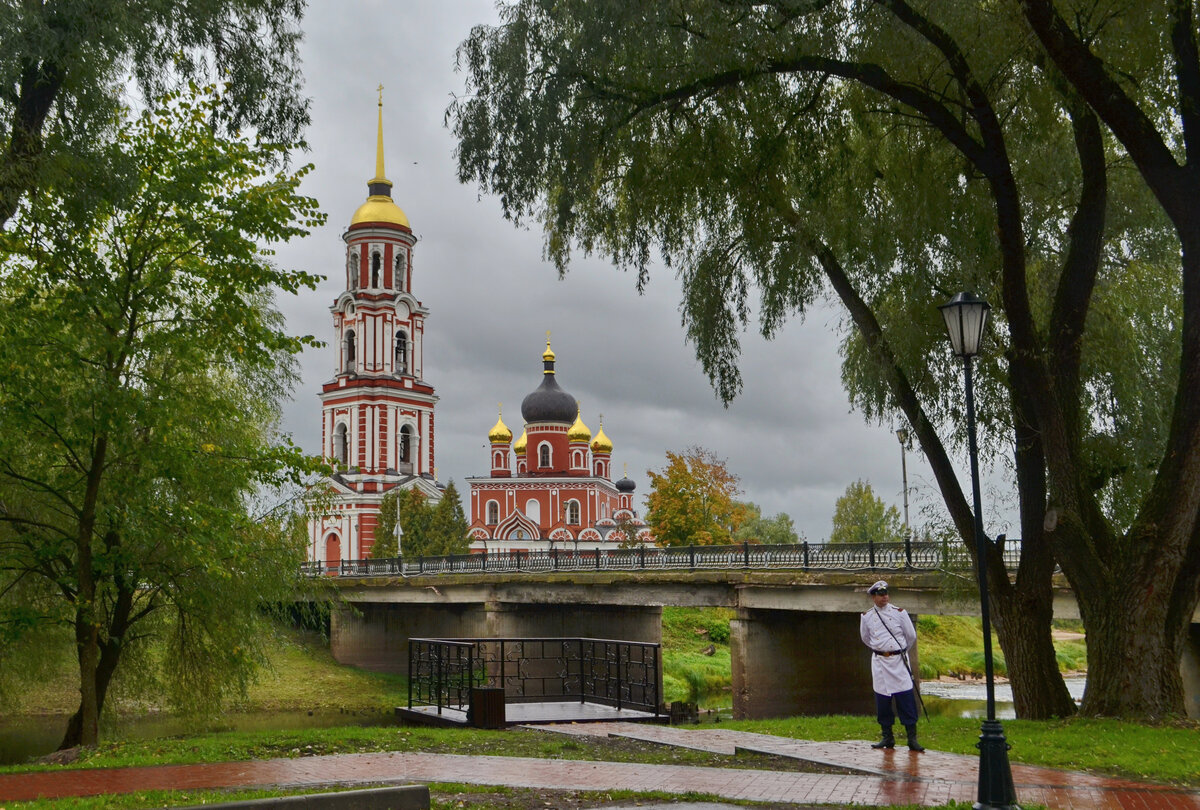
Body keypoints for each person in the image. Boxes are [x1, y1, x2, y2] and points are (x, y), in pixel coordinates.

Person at [859, 580, 924, 752]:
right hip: (880, 663)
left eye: (886, 594)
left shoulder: (900, 613)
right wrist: (881, 650)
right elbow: (865, 638)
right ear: (873, 597)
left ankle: (912, 739)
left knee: (905, 699)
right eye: (880, 595)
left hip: (898, 662)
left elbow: (910, 636)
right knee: (883, 701)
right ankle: (887, 737)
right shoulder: (866, 617)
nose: (884, 597)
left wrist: (898, 651)